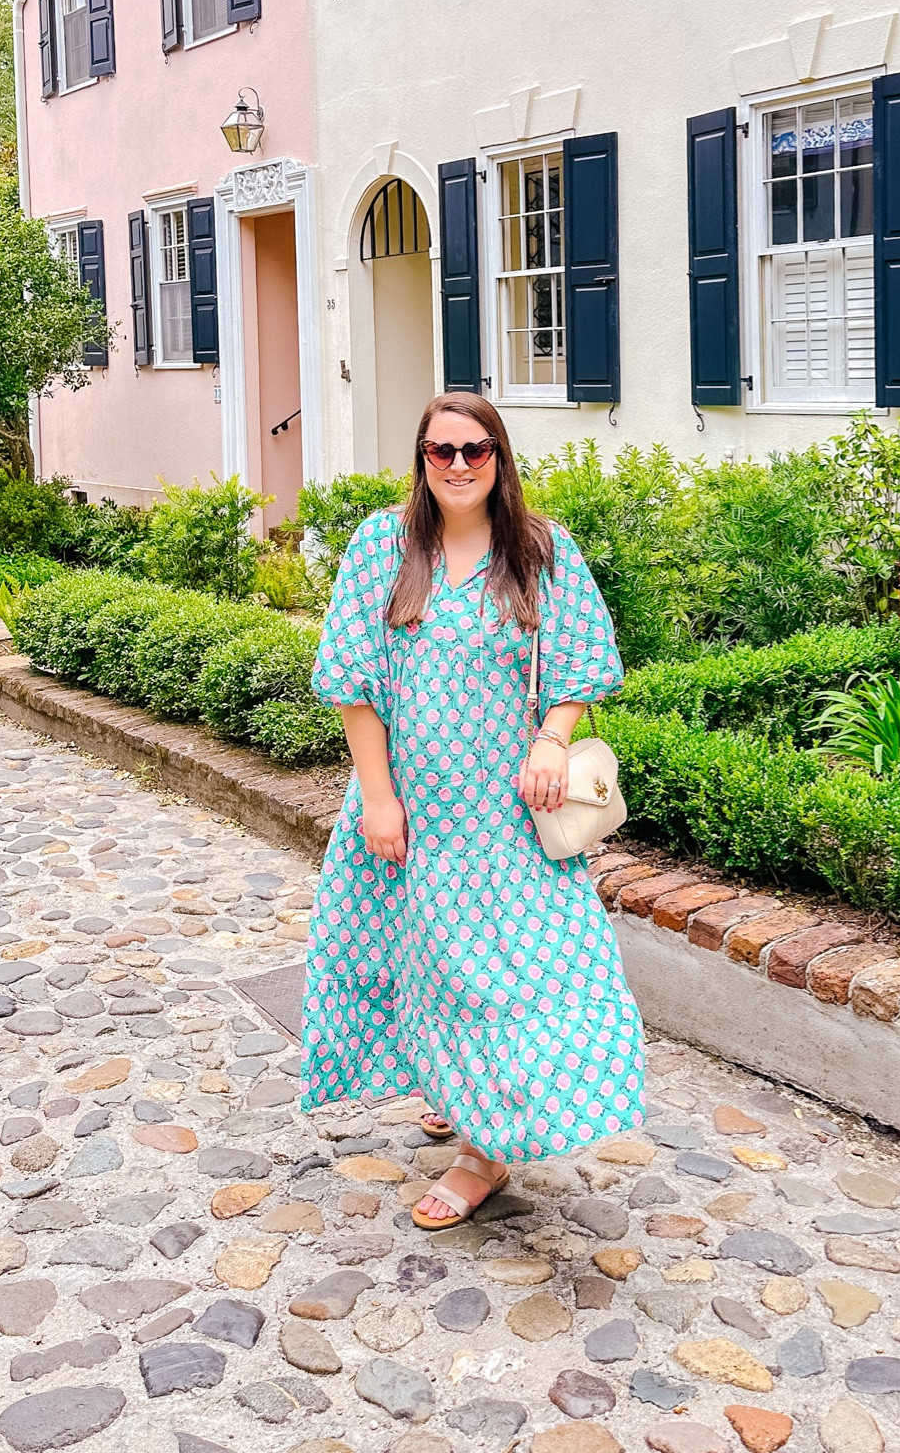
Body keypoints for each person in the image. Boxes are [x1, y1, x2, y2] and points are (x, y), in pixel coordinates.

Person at [300, 392, 646, 1229]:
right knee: (419, 958)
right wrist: (378, 801)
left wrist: (552, 739)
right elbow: (352, 684)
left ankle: (483, 1153)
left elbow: (578, 662)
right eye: (440, 451)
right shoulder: (382, 544)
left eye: (475, 450)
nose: (457, 466)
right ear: (420, 460)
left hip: (506, 819)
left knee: (506, 975)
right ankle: (456, 1088)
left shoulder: (537, 549)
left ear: (499, 457)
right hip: (409, 809)